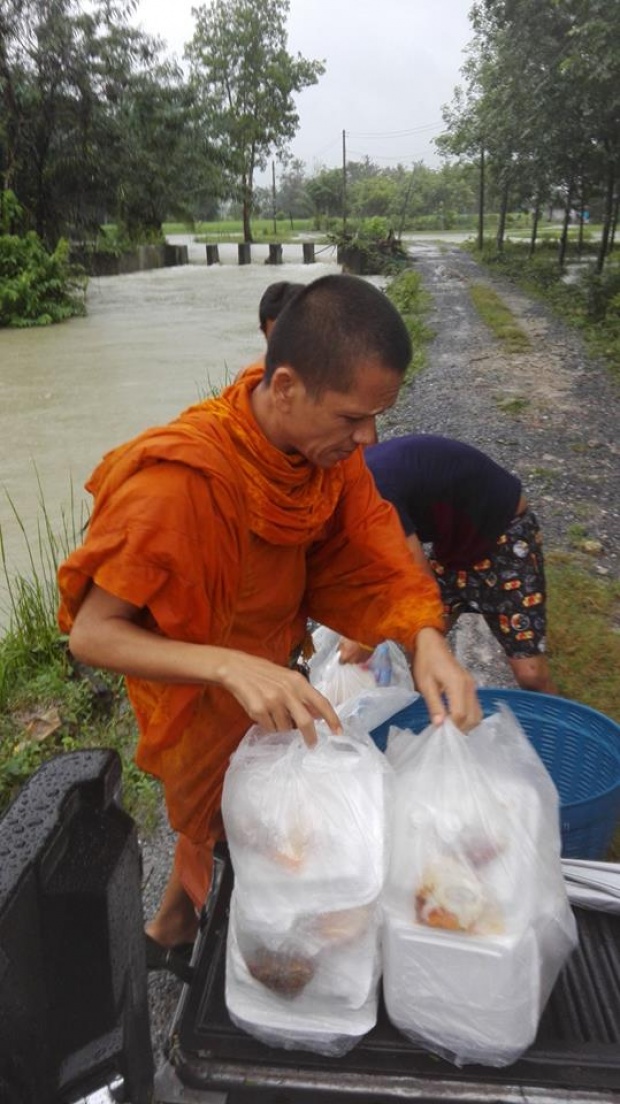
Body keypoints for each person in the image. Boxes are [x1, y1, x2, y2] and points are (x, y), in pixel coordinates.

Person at [57, 275, 480, 978]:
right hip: (203, 691)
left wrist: (425, 638)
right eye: (352, 418)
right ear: (285, 388)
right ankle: (228, 946)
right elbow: (92, 634)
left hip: (271, 671)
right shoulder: (180, 482)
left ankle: (175, 928)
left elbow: (372, 547)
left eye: (378, 417)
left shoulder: (322, 462)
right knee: (225, 827)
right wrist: (227, 665)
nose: (368, 438)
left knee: (262, 824)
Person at [341, 434, 557, 694]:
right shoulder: (348, 495)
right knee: (421, 648)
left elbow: (418, 581)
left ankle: (565, 732)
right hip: (454, 548)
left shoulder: (371, 493)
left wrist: (367, 638)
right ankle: (439, 726)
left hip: (504, 536)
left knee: (531, 674)